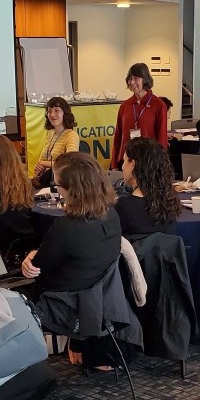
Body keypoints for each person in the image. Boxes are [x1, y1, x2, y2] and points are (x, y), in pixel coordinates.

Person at [21, 152, 121, 293]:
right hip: (101, 297)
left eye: (55, 185)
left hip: (60, 301)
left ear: (71, 190)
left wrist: (32, 256)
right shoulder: (112, 215)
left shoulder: (66, 228)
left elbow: (37, 269)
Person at [116, 137, 180, 237]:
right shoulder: (169, 203)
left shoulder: (122, 207)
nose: (122, 166)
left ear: (133, 164)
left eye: (124, 161)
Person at [111, 63, 168, 169]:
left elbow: (162, 138)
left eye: (136, 78)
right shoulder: (125, 105)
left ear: (145, 79)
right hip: (126, 162)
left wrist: (160, 165)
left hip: (149, 163)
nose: (132, 82)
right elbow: (118, 137)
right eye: (130, 79)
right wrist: (114, 164)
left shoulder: (159, 105)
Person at [33, 97, 80, 186]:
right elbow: (42, 161)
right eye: (49, 111)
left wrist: (44, 164)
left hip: (61, 184)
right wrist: (39, 171)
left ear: (65, 114)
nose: (52, 114)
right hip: (46, 181)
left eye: (56, 111)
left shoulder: (71, 135)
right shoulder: (51, 134)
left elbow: (69, 164)